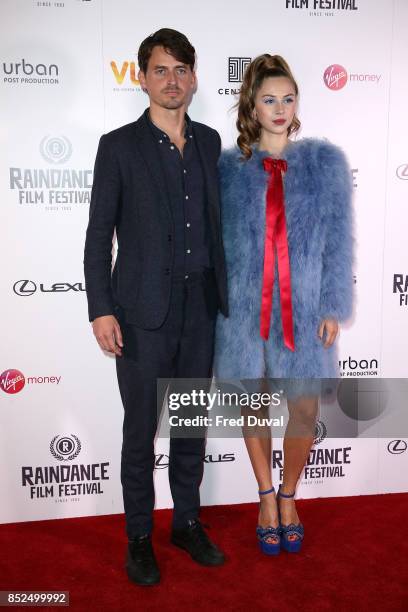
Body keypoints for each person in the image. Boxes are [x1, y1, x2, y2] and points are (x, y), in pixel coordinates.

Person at [84, 28, 228, 586]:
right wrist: (101, 308)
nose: (172, 80)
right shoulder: (118, 146)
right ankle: (140, 536)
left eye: (181, 69)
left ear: (194, 77)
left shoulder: (212, 141)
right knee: (140, 429)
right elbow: (100, 237)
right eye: (161, 70)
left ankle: (186, 523)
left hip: (202, 308)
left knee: (189, 424)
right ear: (142, 77)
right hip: (142, 313)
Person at [214, 54, 353, 555]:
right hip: (244, 309)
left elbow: (338, 239)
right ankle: (265, 497)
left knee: (304, 407)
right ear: (251, 103)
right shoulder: (227, 169)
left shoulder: (323, 165)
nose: (279, 108)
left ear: (297, 103)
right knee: (252, 404)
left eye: (287, 98)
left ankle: (290, 495)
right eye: (269, 98)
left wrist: (332, 305)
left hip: (305, 306)